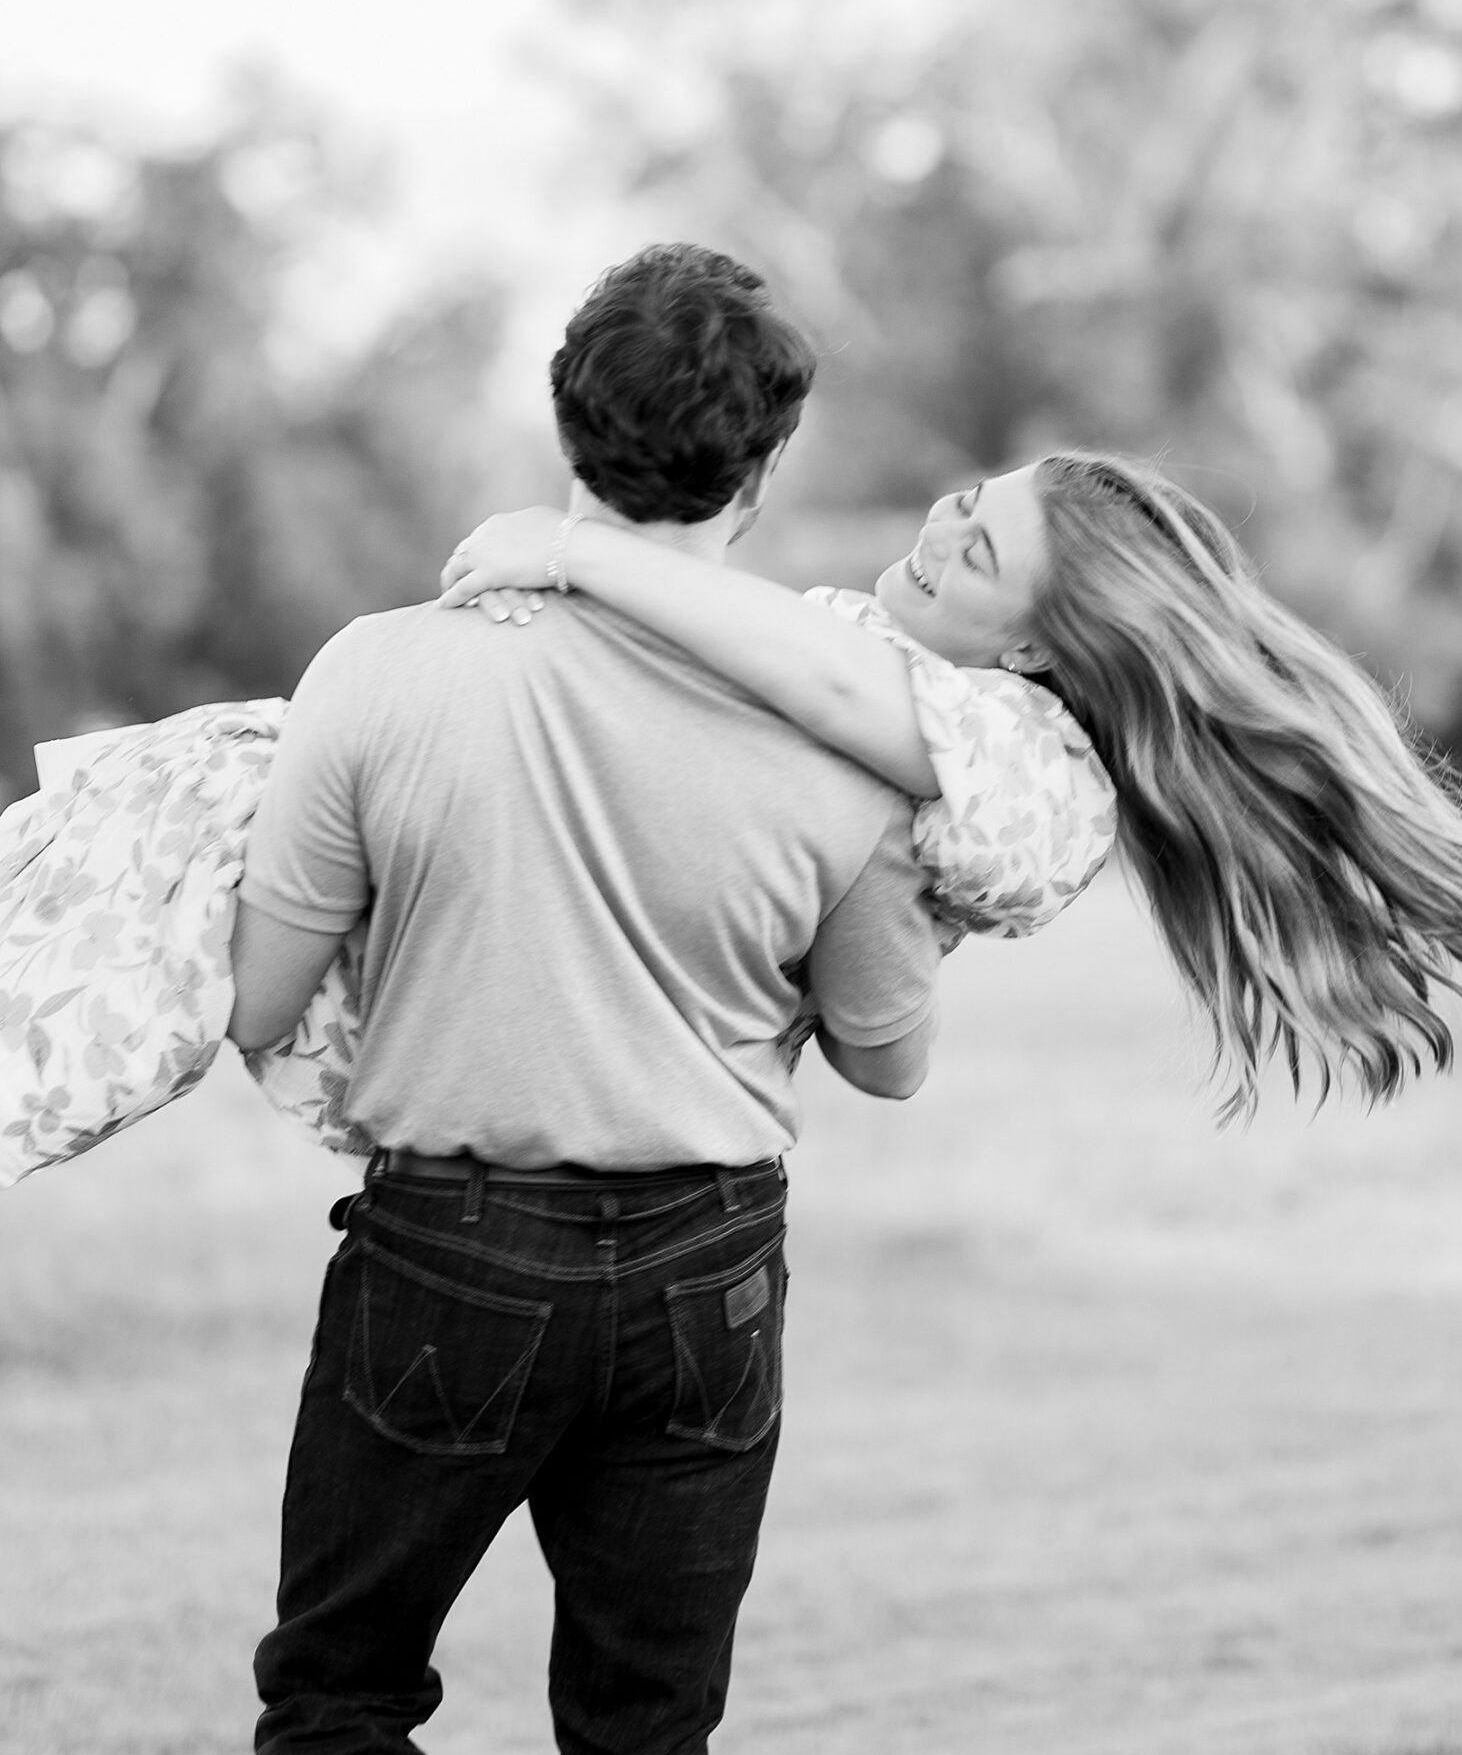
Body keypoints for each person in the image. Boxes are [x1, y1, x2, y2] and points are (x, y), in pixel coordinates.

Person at [225, 244, 941, 1753]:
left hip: (451, 1253)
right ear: (762, 463)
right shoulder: (852, 728)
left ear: (566, 425)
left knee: (339, 1697)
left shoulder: (377, 674)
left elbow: (255, 1001)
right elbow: (887, 1060)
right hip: (710, 1266)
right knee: (644, 1727)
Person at [441, 451, 1462, 1123]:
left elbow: (884, 1043)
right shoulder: (882, 647)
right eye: (969, 499)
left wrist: (577, 549)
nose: (942, 528)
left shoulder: (1031, 758)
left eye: (978, 554)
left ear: (1030, 648)